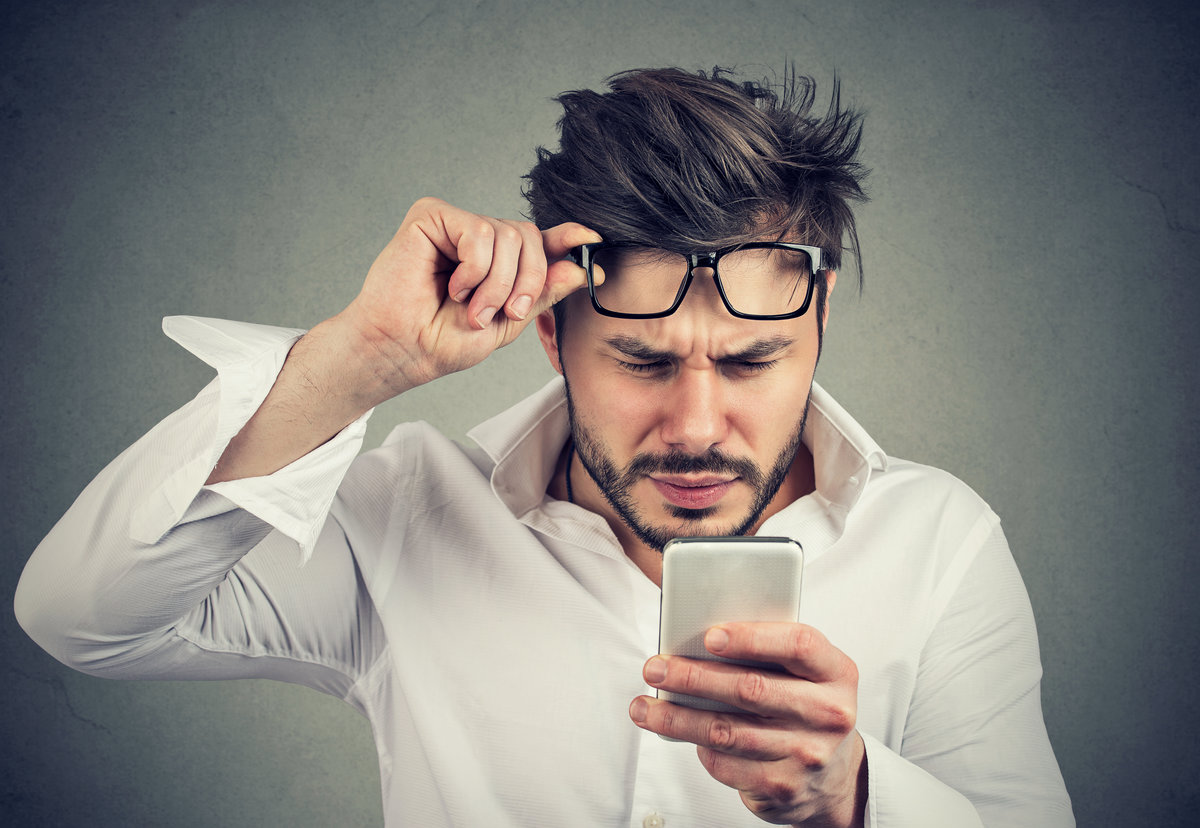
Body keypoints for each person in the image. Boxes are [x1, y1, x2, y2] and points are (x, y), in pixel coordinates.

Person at [15, 67, 1074, 827]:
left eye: (750, 364)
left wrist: (855, 798)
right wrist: (360, 359)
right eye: (645, 363)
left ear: (820, 321)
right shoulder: (407, 521)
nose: (699, 427)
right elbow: (79, 615)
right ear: (553, 333)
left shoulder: (938, 543)